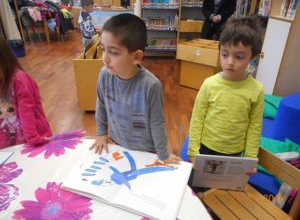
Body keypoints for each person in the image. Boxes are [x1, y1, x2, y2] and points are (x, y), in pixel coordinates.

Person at [89, 13, 180, 164]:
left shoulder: (151, 85)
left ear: (136, 57)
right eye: (103, 49)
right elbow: (101, 105)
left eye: (113, 52)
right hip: (116, 143)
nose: (105, 58)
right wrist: (101, 133)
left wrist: (163, 154)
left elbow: (157, 122)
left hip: (145, 151)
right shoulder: (104, 75)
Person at [188, 16, 264, 191]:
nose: (230, 62)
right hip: (206, 149)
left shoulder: (257, 89)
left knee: (223, 192)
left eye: (239, 56)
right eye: (224, 54)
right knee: (198, 188)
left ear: (253, 57)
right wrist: (193, 151)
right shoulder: (209, 84)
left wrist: (251, 158)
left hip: (234, 153)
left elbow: (255, 126)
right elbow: (197, 118)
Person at [0, 38, 52, 149]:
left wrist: (32, 138)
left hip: (34, 137)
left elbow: (26, 112)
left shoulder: (19, 79)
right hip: (11, 140)